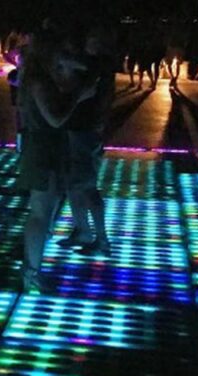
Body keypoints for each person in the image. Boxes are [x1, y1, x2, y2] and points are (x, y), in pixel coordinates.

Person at [17, 32, 98, 293]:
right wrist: (79, 96)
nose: (65, 55)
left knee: (44, 211)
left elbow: (86, 68)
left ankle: (33, 269)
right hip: (42, 148)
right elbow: (54, 119)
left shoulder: (41, 76)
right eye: (60, 51)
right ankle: (31, 271)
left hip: (47, 147)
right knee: (40, 213)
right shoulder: (38, 81)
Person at [58, 26, 115, 256]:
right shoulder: (95, 63)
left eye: (95, 38)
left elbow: (68, 63)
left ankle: (101, 239)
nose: (90, 42)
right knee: (75, 184)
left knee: (87, 186)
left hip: (85, 130)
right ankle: (83, 230)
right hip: (80, 129)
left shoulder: (98, 64)